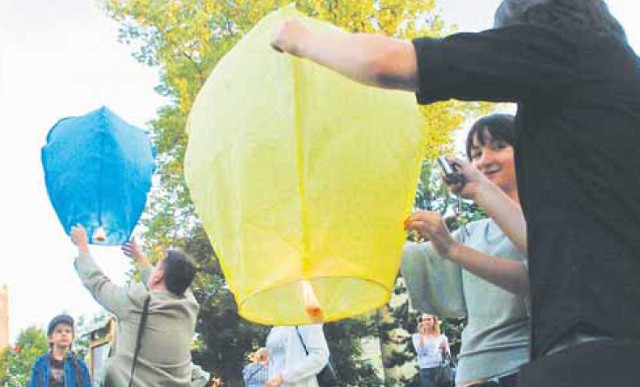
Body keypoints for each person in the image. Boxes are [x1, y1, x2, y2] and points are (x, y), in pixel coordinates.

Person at [271, 1, 640, 385]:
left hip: (602, 346)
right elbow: (545, 246)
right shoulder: (610, 83)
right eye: (477, 152)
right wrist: (474, 199)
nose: (484, 160)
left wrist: (303, 40)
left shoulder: (572, 47)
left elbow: (391, 63)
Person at [403, 114, 529, 387]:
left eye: (498, 146)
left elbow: (545, 279)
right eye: (476, 153)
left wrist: (452, 248)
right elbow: (407, 257)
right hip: (471, 374)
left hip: (524, 369)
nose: (484, 160)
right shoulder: (472, 232)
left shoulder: (550, 221)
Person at [70, 224, 210, 387]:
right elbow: (164, 281)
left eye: (157, 265)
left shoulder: (137, 302)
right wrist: (139, 258)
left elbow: (98, 283)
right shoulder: (189, 307)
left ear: (159, 274)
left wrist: (82, 246)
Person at [29, 314, 92, 387]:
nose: (64, 334)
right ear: (50, 338)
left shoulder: (80, 366)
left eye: (68, 331)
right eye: (59, 331)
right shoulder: (40, 364)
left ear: (72, 338)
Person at [264, 324, 329, 387]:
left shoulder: (305, 321)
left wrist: (283, 377)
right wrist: (267, 353)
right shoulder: (278, 324)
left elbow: (320, 355)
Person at [411, 313, 451, 387]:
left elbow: (448, 356)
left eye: (429, 319)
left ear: (434, 321)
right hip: (426, 370)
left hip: (441, 369)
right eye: (424, 320)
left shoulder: (442, 337)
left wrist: (444, 349)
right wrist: (421, 335)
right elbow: (420, 352)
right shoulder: (416, 337)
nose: (426, 322)